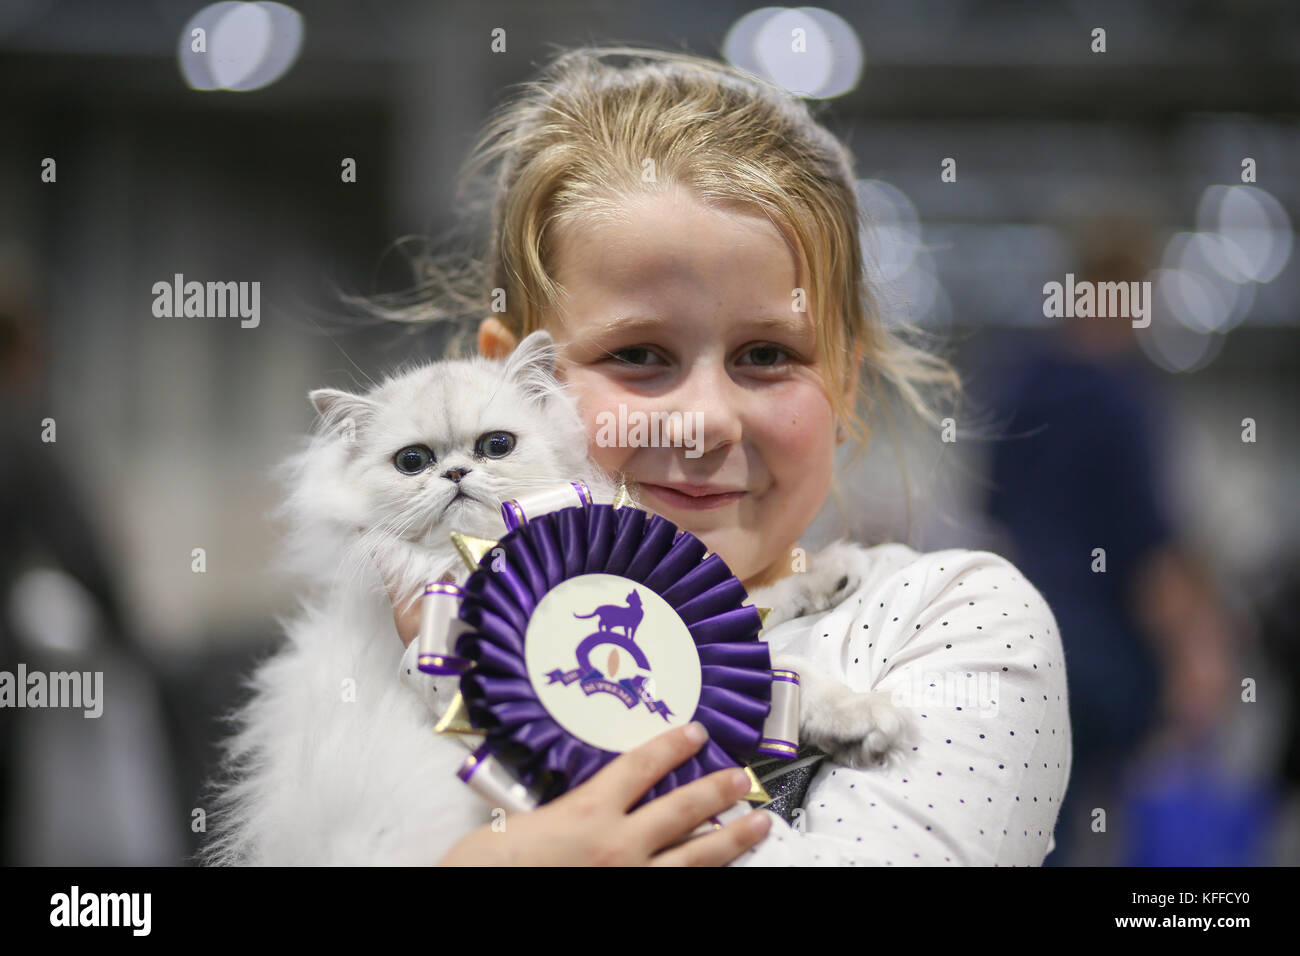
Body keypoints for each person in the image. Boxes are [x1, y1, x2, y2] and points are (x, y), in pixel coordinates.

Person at [375, 45, 1071, 866]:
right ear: (511, 382)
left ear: (845, 382)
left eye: (768, 356)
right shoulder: (386, 638)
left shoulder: (951, 624)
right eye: (637, 354)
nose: (702, 423)